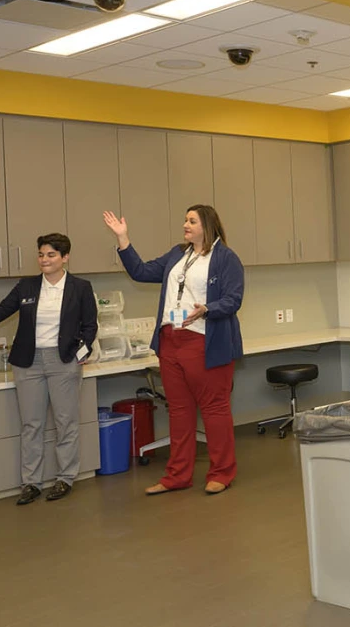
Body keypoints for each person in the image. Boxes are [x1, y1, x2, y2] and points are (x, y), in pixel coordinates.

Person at [103, 205, 244, 496]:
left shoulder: (225, 258)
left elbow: (233, 299)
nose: (185, 225)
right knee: (179, 412)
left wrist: (207, 309)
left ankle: (222, 472)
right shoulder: (178, 254)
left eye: (192, 221)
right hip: (171, 340)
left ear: (207, 225)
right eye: (185, 220)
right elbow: (140, 272)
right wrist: (123, 239)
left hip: (204, 340)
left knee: (214, 410)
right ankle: (177, 475)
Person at [0, 234, 97, 505]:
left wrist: (83, 351)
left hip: (63, 361)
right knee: (32, 424)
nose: (44, 260)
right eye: (41, 254)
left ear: (65, 257)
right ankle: (31, 482)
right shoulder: (27, 286)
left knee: (66, 422)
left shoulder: (80, 287)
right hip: (28, 362)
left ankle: (65, 477)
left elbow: (90, 325)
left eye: (51, 255)